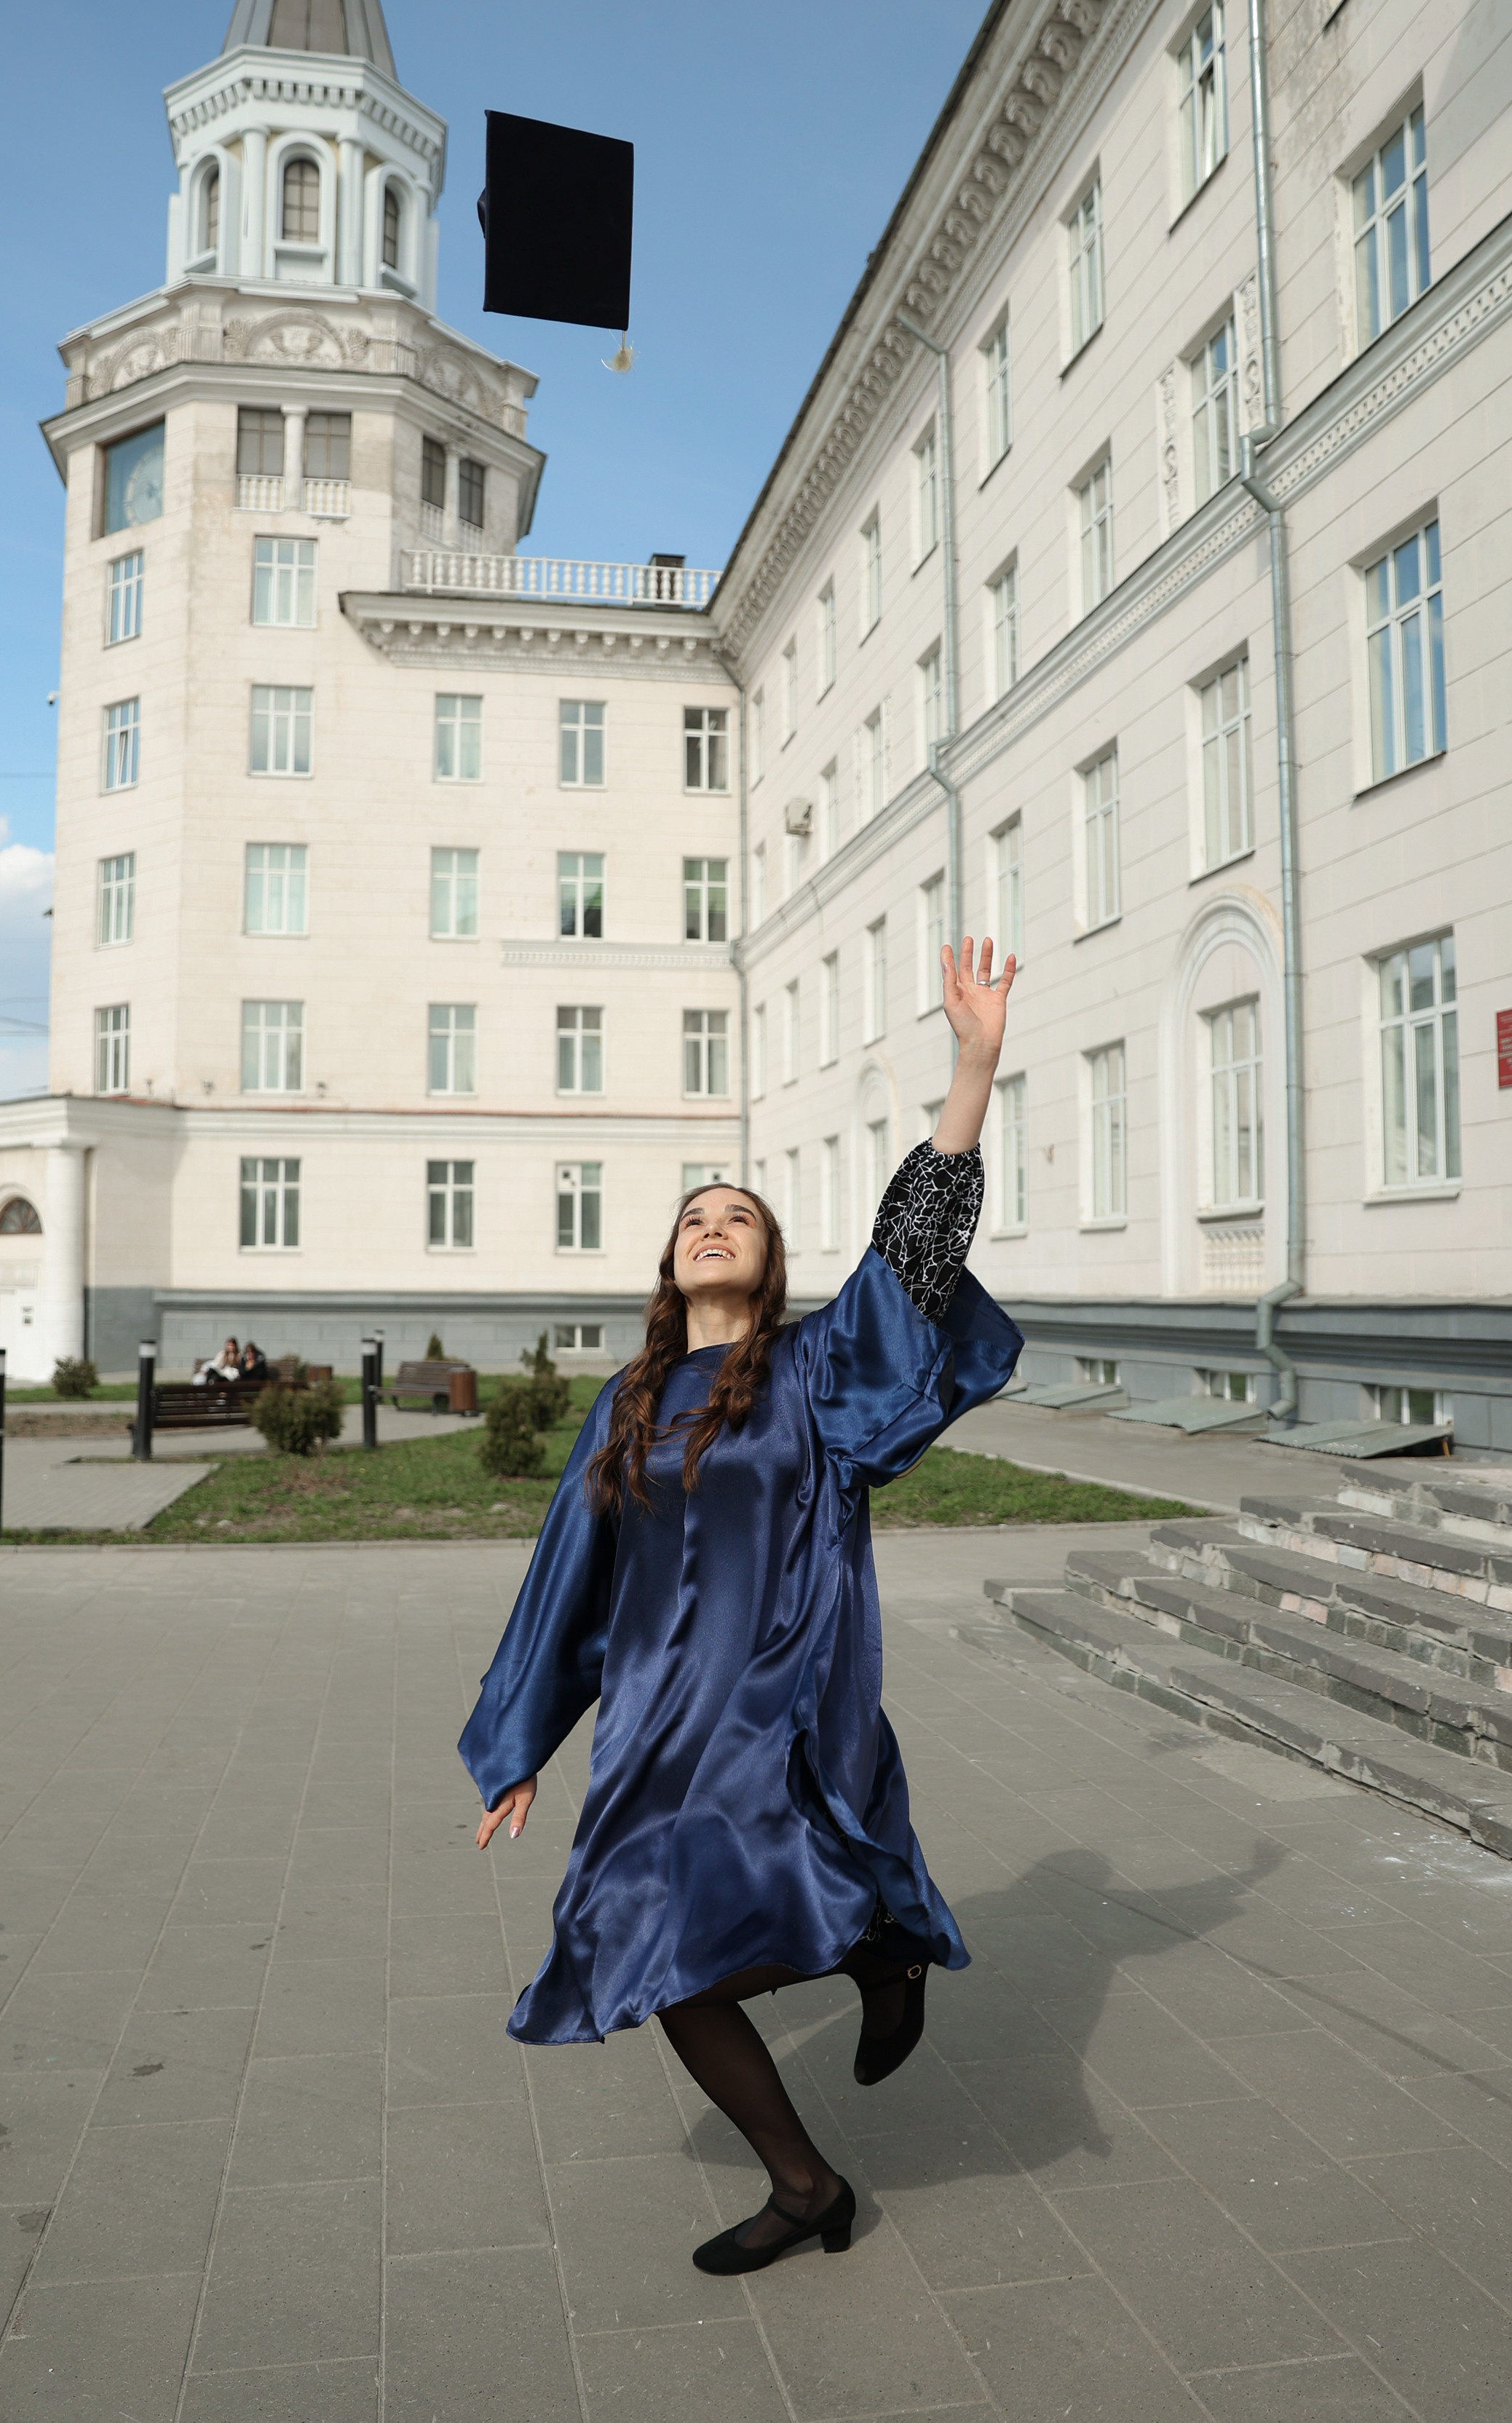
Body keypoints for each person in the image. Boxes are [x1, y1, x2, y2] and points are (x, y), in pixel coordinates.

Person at [461, 936, 1021, 2278]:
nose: (715, 1223)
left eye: (742, 1216)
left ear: (766, 1265)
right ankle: (808, 2176)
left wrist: (973, 1067)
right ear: (670, 1259)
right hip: (657, 1722)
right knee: (632, 1948)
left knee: (736, 1908)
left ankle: (878, 1951)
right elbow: (567, 1580)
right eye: (695, 1215)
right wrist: (520, 1743)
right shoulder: (627, 1403)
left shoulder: (822, 1367)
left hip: (776, 1696)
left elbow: (916, 1259)